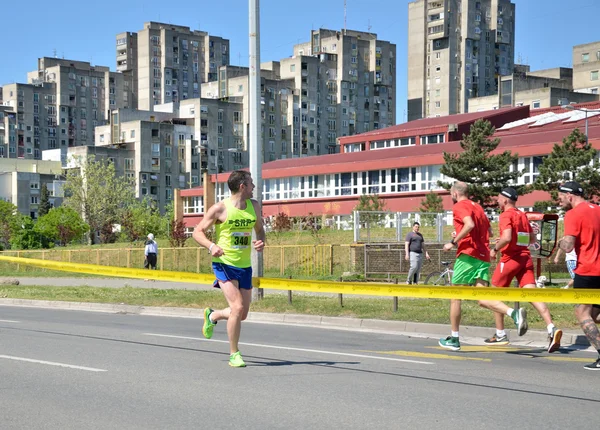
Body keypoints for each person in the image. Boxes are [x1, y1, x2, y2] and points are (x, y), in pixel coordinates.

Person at [192, 170, 265, 368]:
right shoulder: (219, 209)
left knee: (242, 314)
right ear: (242, 186)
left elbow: (260, 230)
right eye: (251, 183)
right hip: (224, 264)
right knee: (237, 307)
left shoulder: (254, 206)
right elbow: (197, 232)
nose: (253, 187)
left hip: (244, 267)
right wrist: (211, 246)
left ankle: (213, 315)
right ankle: (234, 354)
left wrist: (260, 242)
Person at [477, 187, 562, 353]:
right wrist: (509, 241)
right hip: (525, 259)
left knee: (493, 296)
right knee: (532, 295)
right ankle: (551, 327)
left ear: (506, 200)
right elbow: (531, 238)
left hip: (510, 260)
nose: (497, 200)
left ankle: (501, 334)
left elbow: (508, 237)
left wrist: (495, 249)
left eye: (499, 198)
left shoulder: (506, 215)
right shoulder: (522, 215)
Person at [439, 181, 493, 351]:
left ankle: (454, 339)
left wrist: (453, 242)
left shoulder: (459, 206)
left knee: (455, 296)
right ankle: (513, 314)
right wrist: (462, 234)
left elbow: (469, 225)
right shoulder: (478, 207)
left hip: (468, 254)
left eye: (450, 195)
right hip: (483, 255)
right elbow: (489, 232)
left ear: (455, 193)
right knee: (483, 298)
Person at [557, 181, 600, 370]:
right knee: (594, 314)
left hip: (588, 270)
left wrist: (559, 242)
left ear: (569, 196)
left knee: (581, 312)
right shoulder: (598, 210)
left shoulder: (573, 214)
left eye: (560, 198)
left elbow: (568, 246)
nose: (559, 202)